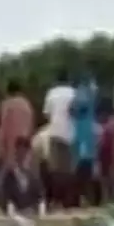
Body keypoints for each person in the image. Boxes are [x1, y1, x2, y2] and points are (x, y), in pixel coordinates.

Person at [0, 79, 35, 212]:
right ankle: (27, 203)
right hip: (25, 141)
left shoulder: (7, 104)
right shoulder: (27, 104)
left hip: (12, 142)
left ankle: (5, 204)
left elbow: (4, 127)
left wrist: (1, 146)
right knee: (23, 173)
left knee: (4, 176)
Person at [41, 71, 76, 201]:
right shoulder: (73, 93)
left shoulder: (51, 93)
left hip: (55, 132)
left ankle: (57, 198)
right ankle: (69, 198)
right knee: (68, 168)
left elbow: (46, 113)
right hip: (70, 134)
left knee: (55, 168)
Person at [70, 72, 101, 207]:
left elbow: (74, 108)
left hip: (83, 136)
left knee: (82, 168)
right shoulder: (89, 93)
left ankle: (82, 198)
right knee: (88, 168)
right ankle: (90, 199)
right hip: (86, 136)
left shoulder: (82, 93)